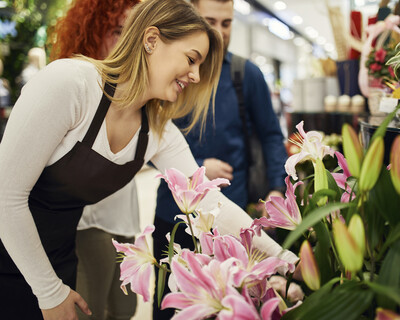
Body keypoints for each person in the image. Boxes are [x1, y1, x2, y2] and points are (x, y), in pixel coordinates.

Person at [0, 0, 297, 319]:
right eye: (191, 59)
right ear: (151, 40)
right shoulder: (71, 84)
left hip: (58, 261)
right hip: (11, 256)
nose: (196, 76)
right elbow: (5, 196)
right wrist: (48, 291)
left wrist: (287, 260)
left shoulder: (157, 130)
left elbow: (211, 204)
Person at [153, 0, 289, 317]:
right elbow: (148, 146)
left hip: (231, 218)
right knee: (172, 308)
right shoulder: (170, 73)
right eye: (209, 21)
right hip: (173, 218)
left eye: (226, 23)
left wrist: (275, 189)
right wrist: (199, 169)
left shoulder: (246, 74)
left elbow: (271, 134)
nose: (219, 32)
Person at [48, 0, 140, 319]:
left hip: (126, 219)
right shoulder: (73, 87)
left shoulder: (135, 91)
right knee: (91, 308)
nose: (125, 43)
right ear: (92, 32)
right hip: (88, 223)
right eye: (116, 31)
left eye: (133, 33)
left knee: (125, 308)